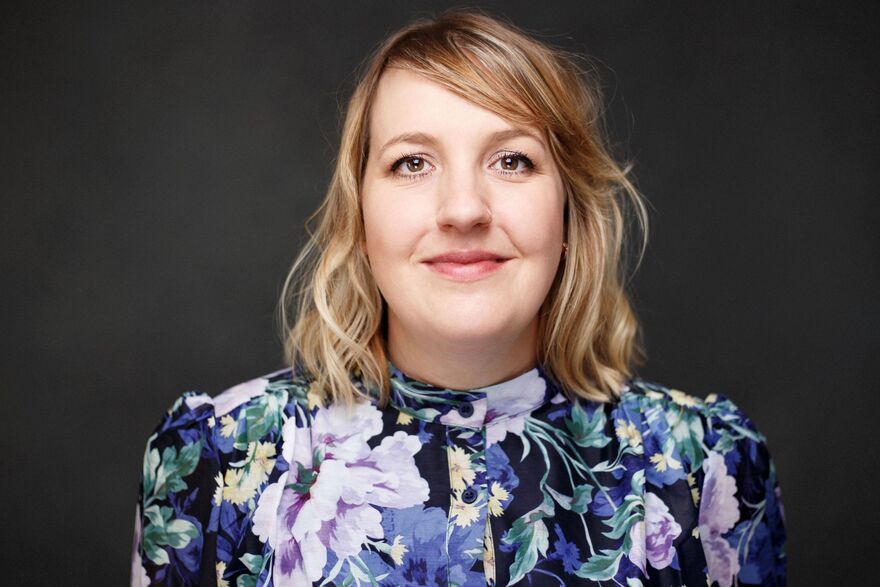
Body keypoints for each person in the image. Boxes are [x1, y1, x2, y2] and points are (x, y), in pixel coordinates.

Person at [131, 9, 786, 587]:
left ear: (569, 214)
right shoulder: (216, 460)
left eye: (512, 160)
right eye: (412, 162)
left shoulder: (703, 466)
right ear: (360, 218)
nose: (465, 209)